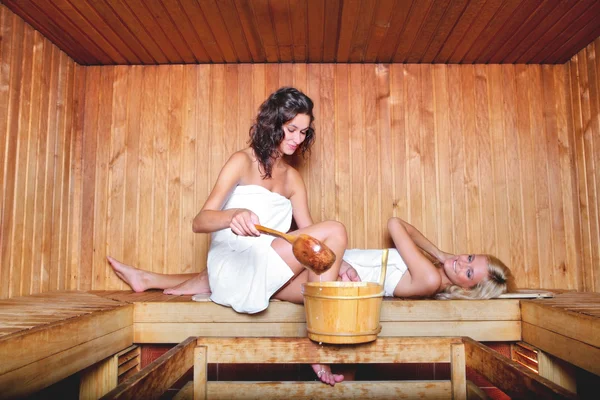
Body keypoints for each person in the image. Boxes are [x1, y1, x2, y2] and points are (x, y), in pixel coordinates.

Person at [108, 87, 346, 385]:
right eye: (291, 129)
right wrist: (232, 216)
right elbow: (200, 221)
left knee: (326, 284)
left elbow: (309, 240)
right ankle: (318, 349)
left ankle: (315, 343)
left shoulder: (293, 178)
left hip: (263, 266)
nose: (298, 139)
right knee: (336, 228)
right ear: (273, 123)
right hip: (236, 264)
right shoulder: (241, 162)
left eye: (304, 132)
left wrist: (339, 261)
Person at [340, 217, 516, 299]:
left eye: (469, 273)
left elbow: (395, 224)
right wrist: (438, 253)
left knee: (336, 230)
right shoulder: (431, 272)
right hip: (340, 264)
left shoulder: (430, 279)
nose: (462, 262)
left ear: (467, 289)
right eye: (470, 257)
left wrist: (438, 254)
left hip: (341, 277)